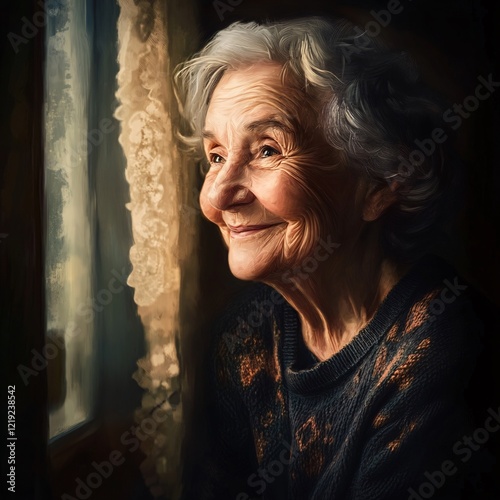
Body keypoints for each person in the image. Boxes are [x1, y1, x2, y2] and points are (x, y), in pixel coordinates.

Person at [174, 17, 494, 500]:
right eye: (216, 155)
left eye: (266, 149)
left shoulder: (444, 350)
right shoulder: (244, 337)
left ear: (383, 182)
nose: (218, 196)